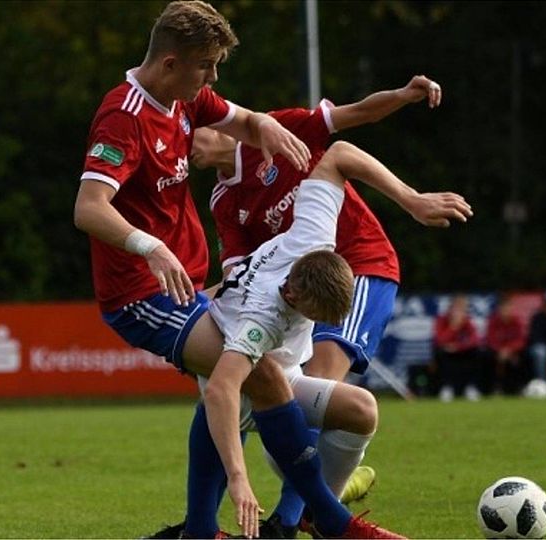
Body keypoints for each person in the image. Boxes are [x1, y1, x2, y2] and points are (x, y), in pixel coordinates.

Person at [71, 2, 396, 538]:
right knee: (255, 377)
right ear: (171, 63)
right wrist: (149, 247)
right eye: (206, 65)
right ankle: (332, 524)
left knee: (239, 382)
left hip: (184, 287)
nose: (213, 78)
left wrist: (265, 126)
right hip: (140, 293)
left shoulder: (186, 97)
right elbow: (88, 208)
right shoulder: (123, 117)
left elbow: (240, 119)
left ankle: (204, 529)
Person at [188, 75, 460, 538]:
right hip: (294, 289)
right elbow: (238, 279)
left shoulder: (273, 130)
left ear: (215, 124)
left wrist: (411, 192)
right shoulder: (223, 199)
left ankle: (291, 519)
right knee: (268, 392)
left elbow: (353, 121)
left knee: (320, 381)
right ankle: (286, 513)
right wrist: (187, 313)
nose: (182, 148)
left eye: (187, 134)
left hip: (360, 263)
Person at [431, 294, 482, 402]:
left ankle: (471, 387)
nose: (459, 312)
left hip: (461, 351)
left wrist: (458, 347)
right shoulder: (442, 320)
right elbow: (439, 340)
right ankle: (446, 388)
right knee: (439, 353)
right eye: (457, 308)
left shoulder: (467, 322)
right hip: (446, 353)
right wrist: (453, 328)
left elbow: (475, 340)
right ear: (451, 308)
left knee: (478, 352)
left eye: (462, 309)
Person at [484, 293, 527, 395]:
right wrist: (500, 350)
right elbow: (490, 339)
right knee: (486, 356)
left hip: (512, 351)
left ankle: (519, 387)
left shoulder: (516, 321)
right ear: (499, 309)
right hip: (496, 352)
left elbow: (521, 339)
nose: (506, 310)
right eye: (503, 308)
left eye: (508, 308)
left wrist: (509, 350)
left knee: (524, 356)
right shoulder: (493, 321)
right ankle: (492, 388)